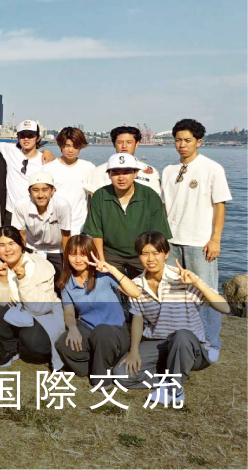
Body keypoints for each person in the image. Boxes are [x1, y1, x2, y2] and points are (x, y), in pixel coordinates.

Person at [114, 232, 230, 406]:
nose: (150, 259)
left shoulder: (182, 278)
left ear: (166, 254)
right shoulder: (136, 285)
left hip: (190, 346)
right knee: (120, 375)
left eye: (156, 253)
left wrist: (197, 283)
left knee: (181, 335)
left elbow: (225, 308)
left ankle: (175, 389)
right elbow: (137, 319)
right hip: (159, 343)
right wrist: (134, 351)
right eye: (145, 253)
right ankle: (171, 375)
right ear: (139, 256)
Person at [162, 119, 232, 362]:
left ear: (199, 142)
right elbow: (165, 207)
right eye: (178, 140)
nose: (182, 145)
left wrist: (215, 239)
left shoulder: (212, 168)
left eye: (187, 140)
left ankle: (210, 342)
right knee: (173, 293)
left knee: (206, 292)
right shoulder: (168, 170)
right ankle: (176, 337)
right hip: (171, 241)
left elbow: (219, 205)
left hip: (199, 241)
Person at [54, 235, 142, 387]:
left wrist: (112, 269)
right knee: (63, 344)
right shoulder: (66, 283)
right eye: (73, 254)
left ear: (91, 254)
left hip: (115, 331)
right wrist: (73, 328)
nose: (77, 259)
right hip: (88, 328)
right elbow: (68, 312)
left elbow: (135, 293)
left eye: (83, 254)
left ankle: (102, 378)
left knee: (102, 332)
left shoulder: (104, 275)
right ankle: (94, 366)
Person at [0, 226, 65, 369]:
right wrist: (2, 277)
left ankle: (24, 343)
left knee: (36, 345)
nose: (7, 249)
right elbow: (0, 302)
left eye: (12, 243)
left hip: (43, 312)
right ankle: (10, 348)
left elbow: (39, 308)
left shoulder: (41, 265)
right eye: (1, 245)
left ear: (21, 244)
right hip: (15, 309)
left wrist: (23, 279)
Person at [83, 153, 172, 280]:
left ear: (136, 173)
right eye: (115, 173)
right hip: (111, 253)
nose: (121, 177)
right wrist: (102, 260)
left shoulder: (149, 195)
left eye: (126, 172)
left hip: (142, 252)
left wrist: (152, 258)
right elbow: (96, 232)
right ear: (109, 175)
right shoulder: (100, 196)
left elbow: (158, 233)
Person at [11, 172, 72, 282]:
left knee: (60, 282)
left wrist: (66, 265)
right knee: (30, 281)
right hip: (32, 248)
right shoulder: (20, 206)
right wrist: (21, 259)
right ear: (29, 191)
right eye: (35, 190)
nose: (40, 195)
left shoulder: (63, 205)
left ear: (53, 190)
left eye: (45, 190)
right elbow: (21, 235)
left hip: (57, 249)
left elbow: (66, 236)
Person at [0, 120, 52, 226]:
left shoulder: (45, 160)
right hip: (11, 212)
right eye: (22, 135)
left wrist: (47, 152)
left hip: (35, 213)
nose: (26, 139)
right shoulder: (10, 150)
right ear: (18, 137)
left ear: (38, 138)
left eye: (30, 135)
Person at [42, 127, 95, 234]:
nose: (71, 150)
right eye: (67, 146)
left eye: (75, 146)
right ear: (61, 145)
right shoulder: (49, 168)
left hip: (79, 225)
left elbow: (93, 196)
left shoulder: (88, 167)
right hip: (54, 224)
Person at [85, 126, 161, 196]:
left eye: (129, 142)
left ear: (137, 143)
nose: (124, 146)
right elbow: (94, 199)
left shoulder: (149, 171)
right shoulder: (100, 171)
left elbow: (154, 198)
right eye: (120, 142)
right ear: (114, 144)